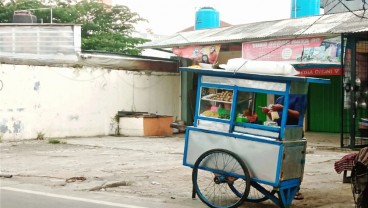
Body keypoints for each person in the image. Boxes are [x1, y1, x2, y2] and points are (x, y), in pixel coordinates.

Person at [261, 94, 307, 200]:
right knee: (281, 162)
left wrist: (282, 108)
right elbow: (276, 118)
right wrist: (268, 112)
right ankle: (280, 186)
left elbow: (298, 114)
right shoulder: (280, 99)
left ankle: (295, 189)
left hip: (293, 133)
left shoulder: (300, 97)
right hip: (281, 133)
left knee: (293, 162)